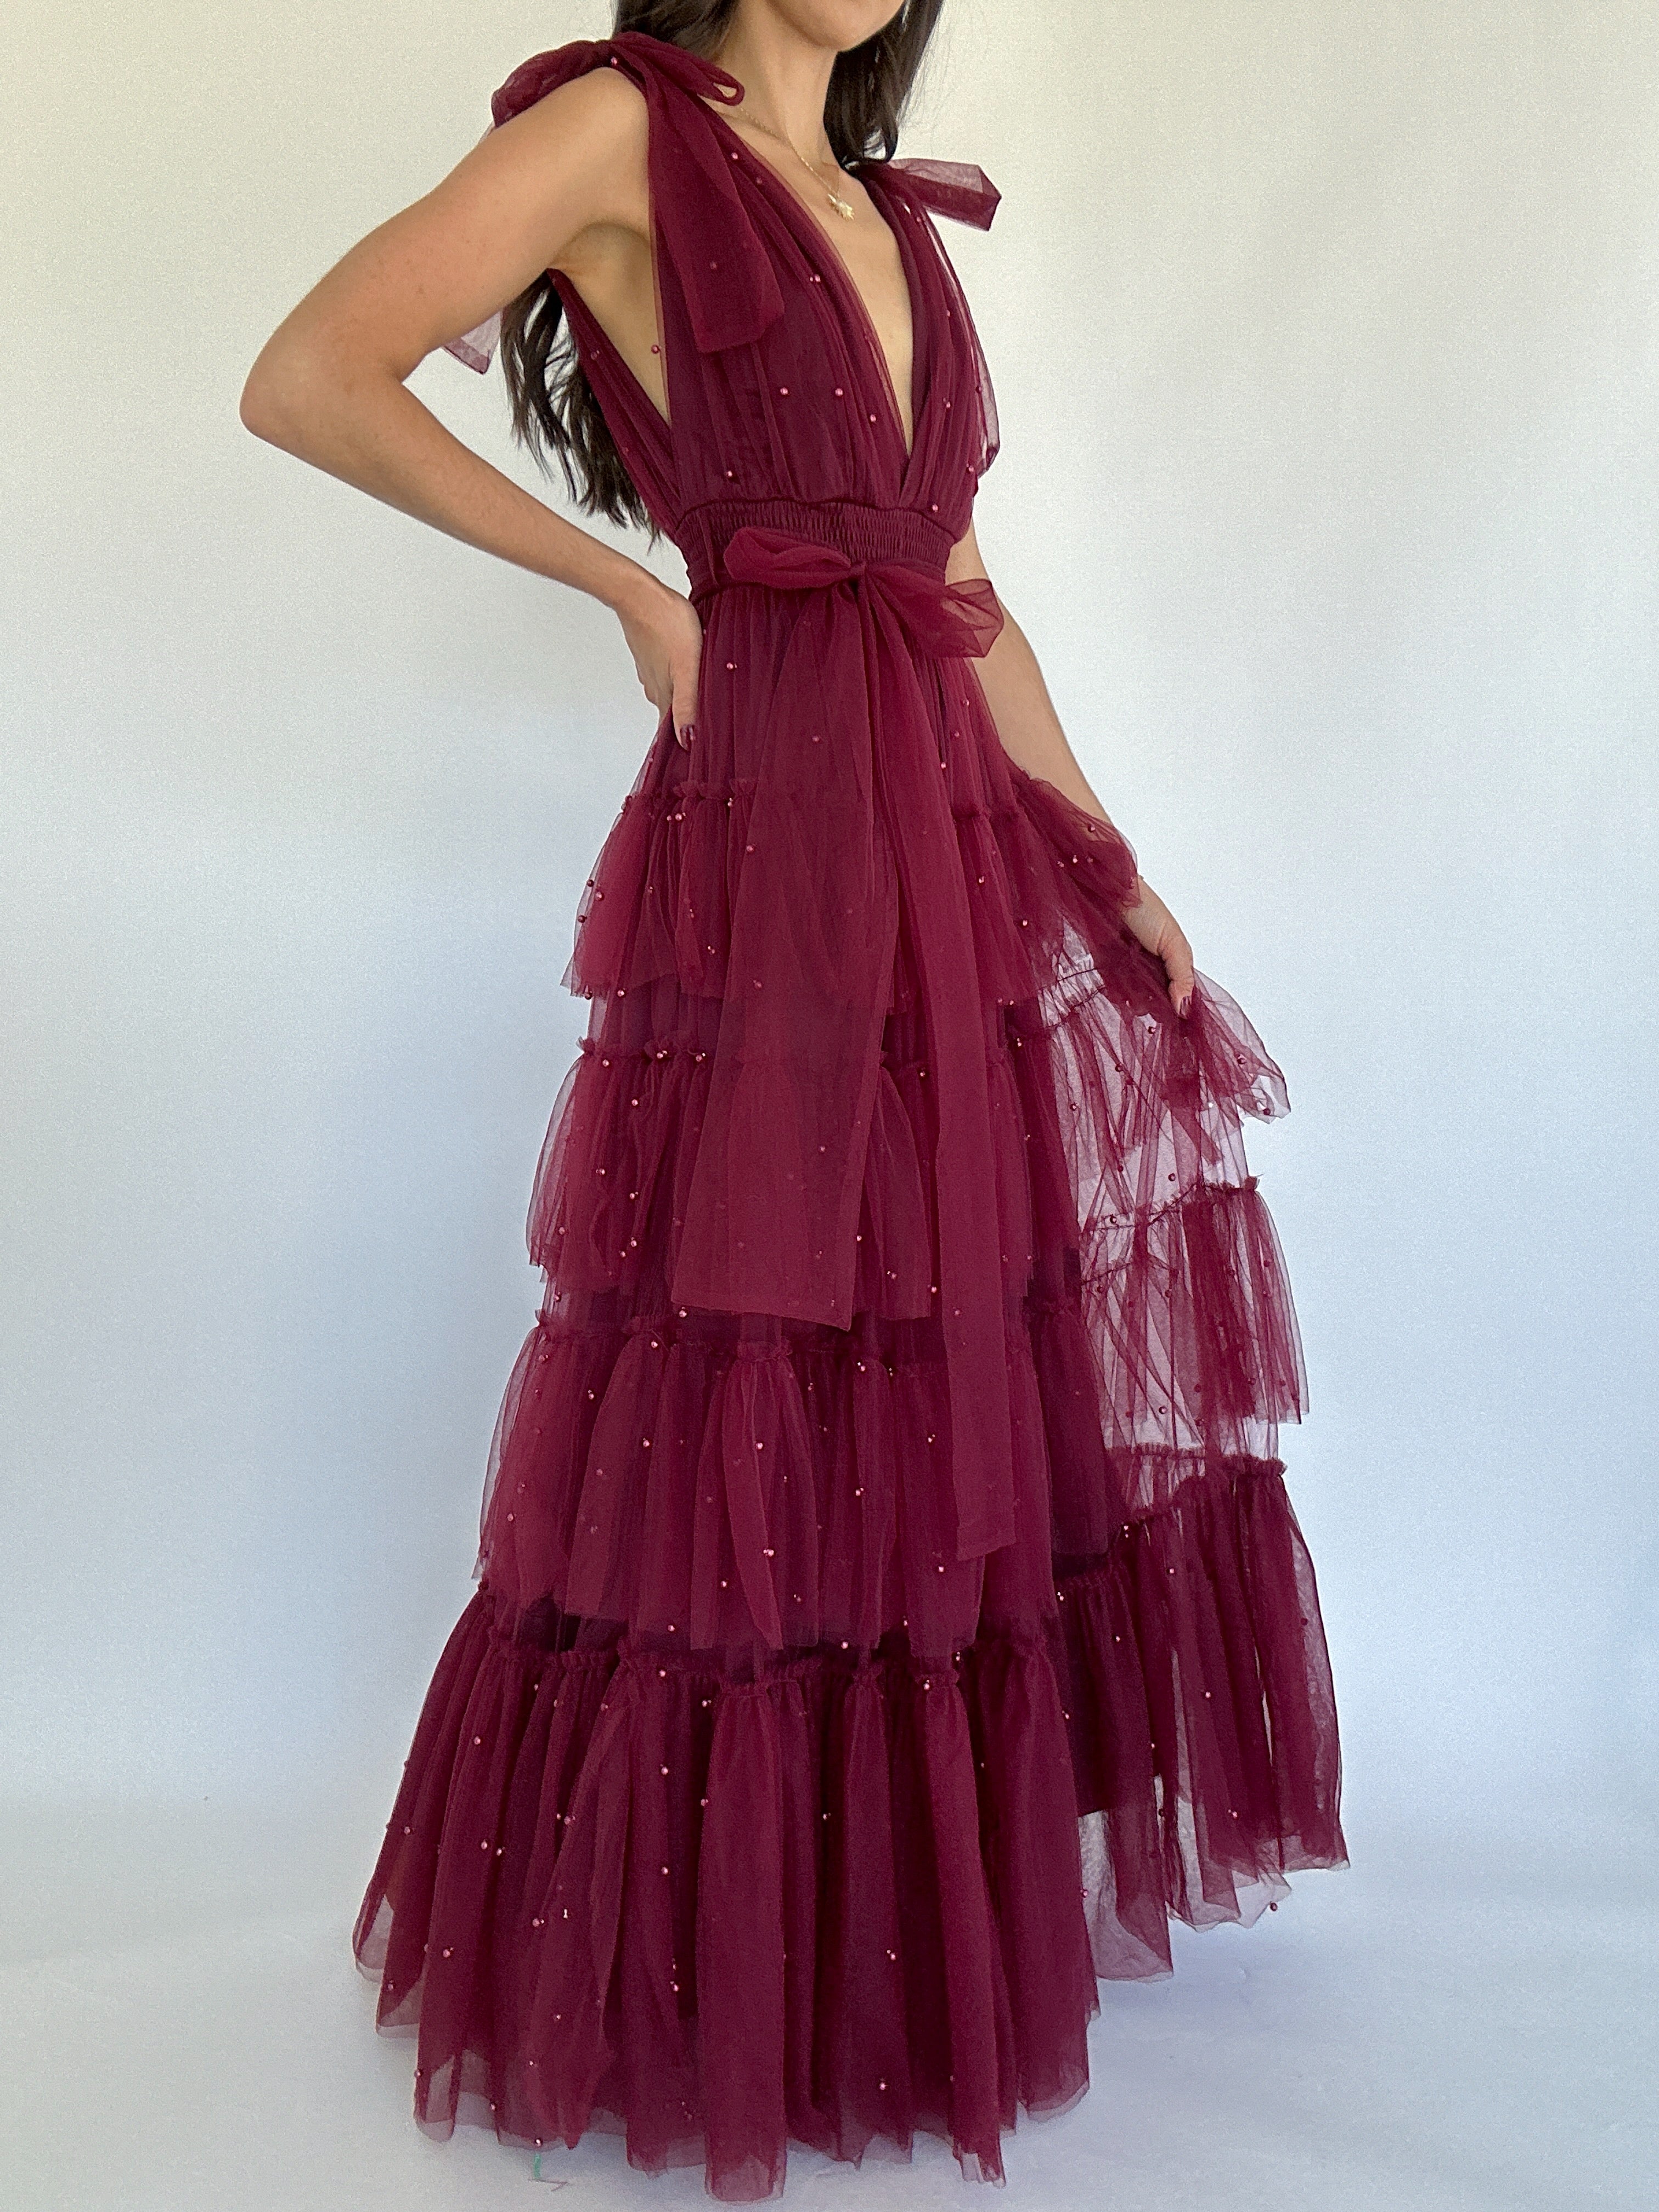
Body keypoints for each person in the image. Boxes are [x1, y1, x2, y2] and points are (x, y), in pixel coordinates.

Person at [241, 2, 1347, 2197]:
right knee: (756, 1348)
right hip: (775, 831)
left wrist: (1107, 859)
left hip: (942, 837)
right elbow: (306, 376)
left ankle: (894, 1942)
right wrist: (624, 590)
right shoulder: (617, 134)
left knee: (939, 1358)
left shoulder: (875, 202)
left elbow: (953, 592)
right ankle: (723, 1963)